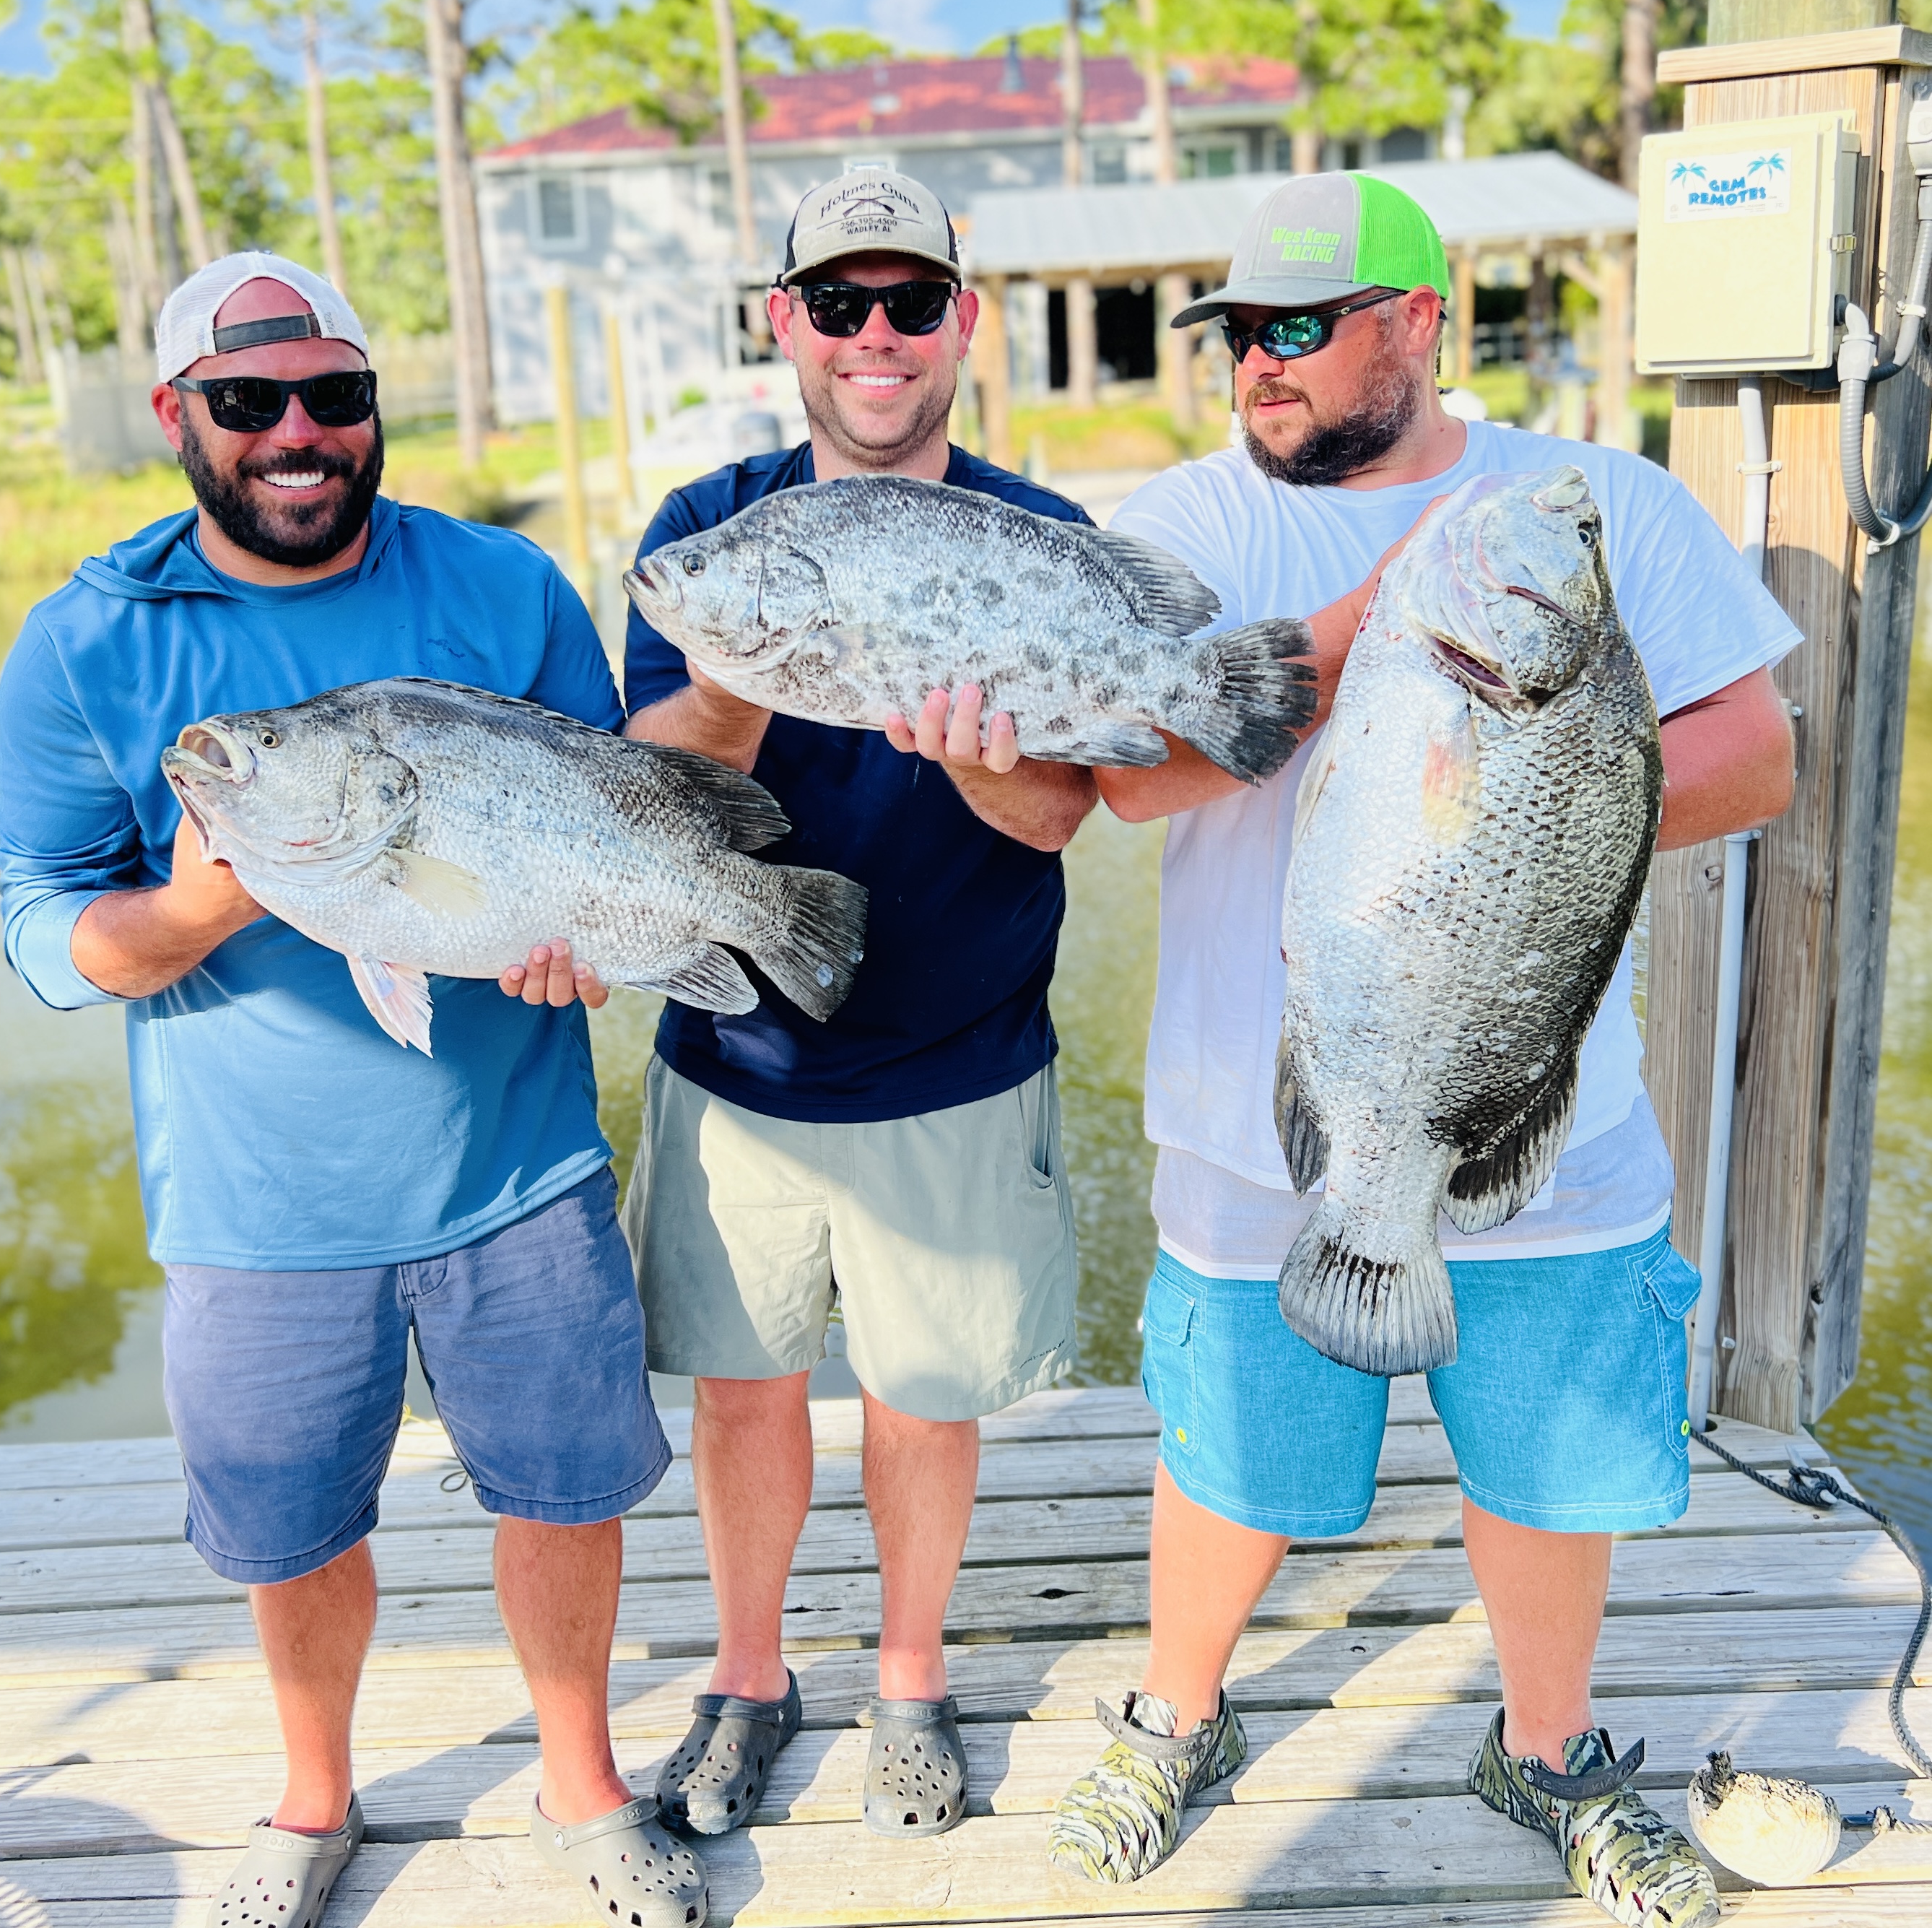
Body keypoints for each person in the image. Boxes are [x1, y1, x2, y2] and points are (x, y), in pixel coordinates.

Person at [1044, 173, 1798, 1928]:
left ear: (1418, 320)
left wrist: (1541, 808)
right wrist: (1357, 620)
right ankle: (1179, 1715)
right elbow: (1134, 778)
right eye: (1239, 335)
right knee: (1224, 1451)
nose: (1261, 367)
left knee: (1544, 1463)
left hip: (1546, 1104)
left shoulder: (1588, 503)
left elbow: (1753, 758)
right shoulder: (1186, 521)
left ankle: (1548, 1750)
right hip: (1258, 1124)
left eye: (1299, 330)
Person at [0, 253, 707, 1928]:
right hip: (258, 1205)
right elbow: (38, 919)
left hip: (518, 1166)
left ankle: (582, 1778)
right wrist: (187, 915)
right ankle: (314, 1797)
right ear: (181, 415)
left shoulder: (504, 583)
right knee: (293, 1528)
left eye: (336, 395)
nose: (299, 432)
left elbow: (596, 819)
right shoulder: (90, 637)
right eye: (250, 403)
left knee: (562, 1490)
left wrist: (584, 941)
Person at [619, 164, 1097, 1840]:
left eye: (910, 302)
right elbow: (647, 798)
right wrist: (739, 682)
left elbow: (1055, 818)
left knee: (925, 1393)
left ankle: (909, 1681)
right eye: (839, 303)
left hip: (961, 1054)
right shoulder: (706, 531)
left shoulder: (1044, 540)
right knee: (743, 1392)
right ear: (785, 325)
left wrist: (977, 762)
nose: (874, 336)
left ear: (964, 320)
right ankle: (747, 1676)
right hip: (736, 1052)